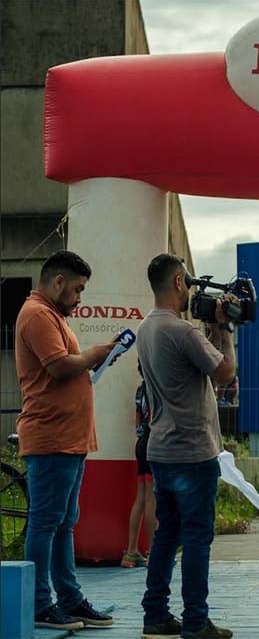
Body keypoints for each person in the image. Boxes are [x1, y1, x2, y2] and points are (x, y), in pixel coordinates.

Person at [14, 250, 117, 631]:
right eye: (77, 289)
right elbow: (58, 367)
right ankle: (42, 603)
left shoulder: (52, 315)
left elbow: (67, 366)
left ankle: (69, 598)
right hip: (51, 437)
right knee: (47, 522)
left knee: (62, 523)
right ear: (58, 282)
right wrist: (93, 354)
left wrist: (95, 357)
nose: (79, 298)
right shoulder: (39, 314)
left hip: (67, 438)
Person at [138, 253, 237, 639]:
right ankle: (196, 621)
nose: (192, 291)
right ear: (178, 281)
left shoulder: (147, 328)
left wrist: (210, 330)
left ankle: (155, 616)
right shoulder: (182, 332)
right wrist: (224, 328)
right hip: (193, 451)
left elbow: (195, 368)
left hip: (161, 447)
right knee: (197, 536)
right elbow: (225, 372)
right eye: (190, 283)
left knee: (167, 534)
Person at [121, 363, 157, 568]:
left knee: (141, 497)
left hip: (141, 443)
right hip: (154, 443)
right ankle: (154, 552)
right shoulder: (156, 387)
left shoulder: (140, 388)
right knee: (153, 499)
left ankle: (131, 551)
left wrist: (140, 433)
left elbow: (137, 416)